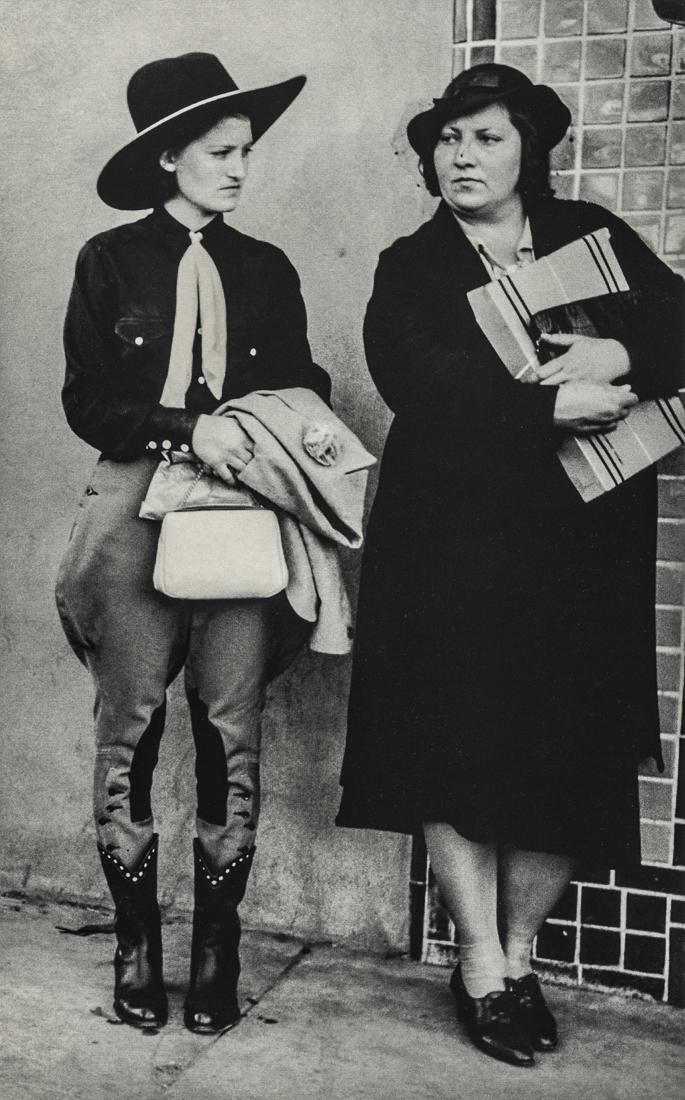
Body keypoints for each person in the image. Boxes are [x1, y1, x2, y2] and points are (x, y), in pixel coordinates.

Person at [337, 64, 685, 1067]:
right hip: (452, 541)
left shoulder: (595, 236)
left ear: (529, 147)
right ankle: (479, 960)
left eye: (485, 137)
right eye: (446, 139)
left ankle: (524, 951)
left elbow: (676, 328)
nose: (461, 156)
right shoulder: (412, 263)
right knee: (454, 737)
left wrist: (612, 361)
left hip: (582, 542)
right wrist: (543, 406)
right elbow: (416, 378)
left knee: (570, 742)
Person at [56, 52, 331, 1034]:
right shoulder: (109, 263)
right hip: (136, 510)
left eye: (246, 151)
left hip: (240, 517)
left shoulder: (267, 271)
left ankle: (216, 949)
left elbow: (308, 379)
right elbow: (87, 397)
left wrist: (267, 424)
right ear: (170, 156)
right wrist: (181, 428)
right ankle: (137, 942)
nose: (240, 168)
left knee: (232, 730)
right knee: (127, 731)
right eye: (221, 151)